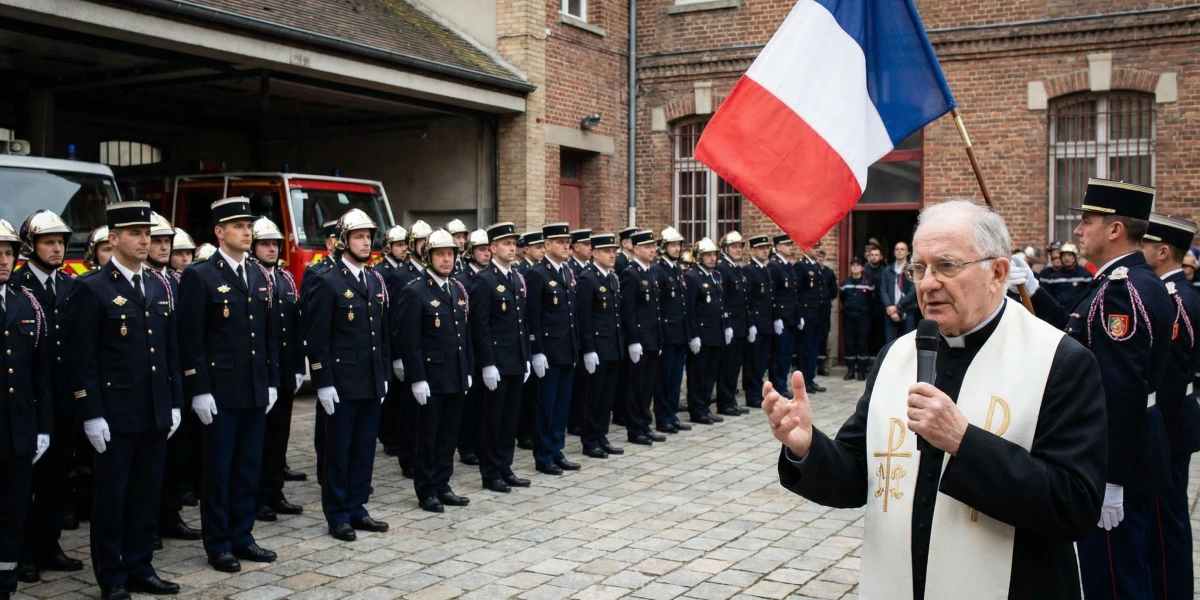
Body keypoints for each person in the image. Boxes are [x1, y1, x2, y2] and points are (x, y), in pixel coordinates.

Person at [767, 200, 1107, 599]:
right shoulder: (896, 356)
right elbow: (859, 474)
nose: (927, 284)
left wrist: (965, 442)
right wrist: (807, 448)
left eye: (946, 266)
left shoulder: (1059, 361)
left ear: (997, 272)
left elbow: (1076, 506)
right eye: (919, 268)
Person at [1056, 180, 1174, 598]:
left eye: (1086, 221)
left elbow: (1121, 390)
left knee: (1113, 582)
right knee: (1127, 572)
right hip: (1134, 450)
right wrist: (1031, 289)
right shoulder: (1129, 281)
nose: (1077, 231)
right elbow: (1078, 331)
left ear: (1114, 230)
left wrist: (1111, 480)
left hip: (1117, 457)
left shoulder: (1121, 291)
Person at [74, 201, 183, 600]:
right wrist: (91, 413)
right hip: (115, 414)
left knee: (145, 495)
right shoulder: (92, 288)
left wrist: (174, 401)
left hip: (154, 409)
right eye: (136, 234)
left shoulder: (157, 285)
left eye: (148, 234)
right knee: (112, 500)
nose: (145, 241)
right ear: (113, 238)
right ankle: (112, 576)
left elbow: (169, 351)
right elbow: (81, 359)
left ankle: (140, 566)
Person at [178, 197, 279, 573]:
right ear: (219, 232)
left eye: (248, 225)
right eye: (238, 226)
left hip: (253, 387)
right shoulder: (200, 275)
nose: (246, 231)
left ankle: (243, 534)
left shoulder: (257, 274)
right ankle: (218, 542)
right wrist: (198, 387)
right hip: (219, 391)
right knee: (218, 470)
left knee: (248, 466)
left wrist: (270, 380)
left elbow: (267, 334)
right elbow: (191, 339)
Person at [306, 209, 390, 540]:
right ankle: (337, 513)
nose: (365, 241)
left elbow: (381, 333)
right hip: (340, 383)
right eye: (358, 236)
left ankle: (357, 507)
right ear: (343, 241)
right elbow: (317, 337)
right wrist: (322, 382)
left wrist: (382, 373)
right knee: (336, 451)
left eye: (368, 236)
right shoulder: (327, 281)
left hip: (369, 380)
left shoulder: (373, 280)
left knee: (363, 448)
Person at [12, 211, 82, 583]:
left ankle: (48, 543)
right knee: (26, 481)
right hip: (30, 399)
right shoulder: (18, 284)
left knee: (57, 477)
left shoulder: (70, 285)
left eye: (60, 242)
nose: (57, 249)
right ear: (31, 246)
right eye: (49, 242)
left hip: (63, 397)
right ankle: (21, 551)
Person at [1141, 213, 1200, 600]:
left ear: (1163, 252)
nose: (1139, 251)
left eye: (1145, 244)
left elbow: (1173, 375)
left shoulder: (1174, 298)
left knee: (1167, 526)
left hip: (1171, 425)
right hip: (1173, 424)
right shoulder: (1174, 293)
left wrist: (1157, 433)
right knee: (1166, 521)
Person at [397, 229, 473, 512]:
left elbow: (463, 335)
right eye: (440, 254)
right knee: (426, 437)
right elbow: (409, 340)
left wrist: (467, 369)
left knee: (448, 436)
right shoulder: (415, 290)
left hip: (454, 375)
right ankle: (426, 489)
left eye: (450, 254)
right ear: (428, 256)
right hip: (430, 377)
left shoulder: (456, 289)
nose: (446, 259)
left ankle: (443, 483)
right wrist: (417, 378)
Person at [0, 218, 52, 600]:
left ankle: (5, 582)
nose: (3, 260)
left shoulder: (25, 302)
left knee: (12, 513)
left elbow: (40, 374)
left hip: (19, 430)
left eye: (8, 253)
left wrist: (42, 427)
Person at [468, 222, 532, 492]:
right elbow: (479, 325)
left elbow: (522, 322)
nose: (511, 247)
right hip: (496, 361)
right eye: (506, 243)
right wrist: (487, 364)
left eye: (513, 243)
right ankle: (490, 472)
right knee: (491, 420)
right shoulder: (484, 280)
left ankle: (505, 467)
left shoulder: (516, 277)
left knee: (509, 419)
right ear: (492, 248)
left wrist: (526, 356)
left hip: (515, 359)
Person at [251, 218, 305, 524]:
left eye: (275, 244)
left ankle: (275, 491)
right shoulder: (252, 278)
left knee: (280, 436)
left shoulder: (285, 280)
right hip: (260, 373)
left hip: (284, 370)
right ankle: (258, 497)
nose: (271, 249)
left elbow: (295, 328)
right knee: (260, 437)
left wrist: (299, 366)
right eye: (265, 244)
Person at [527, 223, 583, 474]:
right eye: (560, 242)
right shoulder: (537, 274)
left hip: (566, 349)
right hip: (548, 351)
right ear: (547, 245)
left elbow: (571, 314)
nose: (565, 246)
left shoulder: (568, 272)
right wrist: (536, 350)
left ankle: (556, 449)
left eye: (567, 241)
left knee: (562, 404)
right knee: (545, 405)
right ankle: (543, 455)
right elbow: (532, 315)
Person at [386, 221, 431, 477]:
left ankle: (422, 456)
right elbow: (394, 320)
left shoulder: (429, 272)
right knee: (408, 411)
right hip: (407, 352)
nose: (426, 246)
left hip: (428, 353)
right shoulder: (399, 275)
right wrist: (398, 356)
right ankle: (408, 458)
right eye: (422, 242)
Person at [575, 233, 624, 458]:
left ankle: (601, 435)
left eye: (613, 251)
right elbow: (583, 318)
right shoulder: (588, 278)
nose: (612, 255)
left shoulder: (612, 278)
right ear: (594, 253)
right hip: (597, 346)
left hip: (612, 345)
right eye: (606, 251)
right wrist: (588, 349)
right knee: (592, 397)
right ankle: (590, 439)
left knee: (606, 397)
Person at [620, 230, 664, 446]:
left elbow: (655, 310)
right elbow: (628, 310)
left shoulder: (651, 273)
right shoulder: (631, 274)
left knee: (648, 386)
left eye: (653, 246)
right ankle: (635, 428)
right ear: (636, 250)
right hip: (639, 339)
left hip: (653, 338)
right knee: (636, 387)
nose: (652, 250)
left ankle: (645, 424)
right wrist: (633, 340)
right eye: (647, 247)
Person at [683, 237, 731, 425]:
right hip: (702, 334)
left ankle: (705, 407)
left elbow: (720, 304)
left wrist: (726, 326)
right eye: (708, 255)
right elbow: (690, 309)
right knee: (698, 374)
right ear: (698, 257)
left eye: (714, 255)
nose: (712, 258)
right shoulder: (692, 276)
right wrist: (693, 335)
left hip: (715, 333)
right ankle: (697, 409)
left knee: (711, 373)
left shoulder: (715, 276)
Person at [456, 229, 492, 467]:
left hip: (486, 348)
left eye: (488, 249)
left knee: (484, 406)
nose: (486, 254)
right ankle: (466, 446)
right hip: (470, 348)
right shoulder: (463, 279)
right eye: (481, 249)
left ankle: (480, 445)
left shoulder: (491, 276)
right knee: (469, 405)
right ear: (470, 252)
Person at [652, 227, 690, 435]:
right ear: (663, 247)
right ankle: (663, 417)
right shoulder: (659, 271)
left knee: (675, 377)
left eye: (678, 245)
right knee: (664, 378)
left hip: (679, 333)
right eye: (672, 245)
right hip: (667, 333)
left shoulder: (676, 270)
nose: (676, 249)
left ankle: (672, 414)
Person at [375, 224, 408, 458]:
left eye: (405, 244)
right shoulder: (382, 272)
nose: (403, 249)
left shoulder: (405, 270)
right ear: (388, 247)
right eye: (398, 245)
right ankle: (388, 436)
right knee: (392, 394)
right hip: (388, 337)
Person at [515, 231, 545, 451]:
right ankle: (524, 431)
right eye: (537, 247)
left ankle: (530, 430)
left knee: (534, 395)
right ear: (526, 249)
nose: (541, 250)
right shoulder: (525, 271)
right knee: (527, 396)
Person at [715, 232, 750, 417]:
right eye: (735, 246)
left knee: (735, 365)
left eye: (740, 246)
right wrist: (727, 323)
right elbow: (724, 300)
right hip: (731, 325)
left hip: (740, 324)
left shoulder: (736, 268)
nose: (738, 249)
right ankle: (725, 402)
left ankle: (730, 400)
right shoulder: (723, 268)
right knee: (727, 367)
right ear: (725, 249)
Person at [742, 235, 774, 409]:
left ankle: (758, 391)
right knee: (753, 362)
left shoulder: (765, 269)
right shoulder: (749, 270)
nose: (765, 251)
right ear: (752, 251)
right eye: (761, 248)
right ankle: (752, 394)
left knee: (762, 361)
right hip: (756, 323)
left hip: (766, 323)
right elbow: (747, 299)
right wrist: (751, 323)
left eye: (767, 248)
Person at [768, 235, 799, 397]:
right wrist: (776, 317)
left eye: (790, 244)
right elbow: (773, 294)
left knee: (787, 354)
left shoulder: (788, 266)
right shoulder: (774, 266)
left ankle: (782, 384)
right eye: (786, 245)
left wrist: (798, 315)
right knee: (779, 355)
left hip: (791, 317)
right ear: (778, 247)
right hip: (782, 318)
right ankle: (777, 386)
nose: (790, 247)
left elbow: (793, 295)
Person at [794, 241, 825, 393]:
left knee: (813, 348)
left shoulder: (815, 266)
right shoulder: (801, 266)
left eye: (818, 247)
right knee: (805, 348)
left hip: (816, 314)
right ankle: (804, 381)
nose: (817, 250)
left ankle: (810, 379)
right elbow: (797, 292)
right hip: (806, 314)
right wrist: (799, 314)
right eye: (814, 247)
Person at [839, 257, 875, 381]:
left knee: (862, 343)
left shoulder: (868, 284)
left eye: (857, 265)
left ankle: (861, 371)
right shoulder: (845, 283)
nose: (854, 267)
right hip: (849, 317)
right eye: (852, 265)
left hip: (863, 317)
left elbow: (871, 301)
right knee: (849, 344)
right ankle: (850, 371)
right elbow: (842, 298)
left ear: (861, 267)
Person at [880, 240, 917, 343]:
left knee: (908, 343)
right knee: (891, 344)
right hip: (890, 313)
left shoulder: (912, 270)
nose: (899, 251)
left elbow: (913, 291)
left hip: (907, 311)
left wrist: (897, 307)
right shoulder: (887, 270)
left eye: (902, 249)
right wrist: (890, 308)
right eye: (897, 249)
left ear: (907, 252)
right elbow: (883, 290)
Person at [1043, 242, 1091, 309]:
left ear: (1075, 257)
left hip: (1078, 314)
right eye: (1064, 255)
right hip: (1060, 314)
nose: (1066, 258)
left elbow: (1090, 297)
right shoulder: (1054, 277)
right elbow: (1050, 297)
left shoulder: (1085, 275)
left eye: (1069, 255)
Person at [816, 250, 838, 376]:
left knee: (823, 337)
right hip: (812, 310)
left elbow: (833, 291)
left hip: (824, 308)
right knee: (812, 338)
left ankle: (821, 365)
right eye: (817, 256)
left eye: (821, 256)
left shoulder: (828, 273)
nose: (819, 259)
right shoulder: (811, 270)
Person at [863, 243, 886, 359]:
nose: (874, 257)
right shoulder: (864, 270)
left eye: (876, 255)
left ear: (881, 257)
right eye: (872, 255)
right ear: (868, 256)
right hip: (866, 307)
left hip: (881, 307)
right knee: (866, 335)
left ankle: (879, 358)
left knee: (880, 334)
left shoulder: (885, 271)